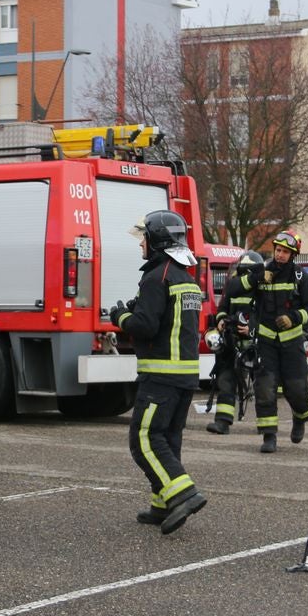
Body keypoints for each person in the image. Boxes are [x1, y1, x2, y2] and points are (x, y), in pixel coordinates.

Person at [109, 211, 208, 535]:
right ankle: (162, 503)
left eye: (144, 238)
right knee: (168, 439)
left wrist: (120, 316)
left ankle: (183, 494)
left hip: (161, 377)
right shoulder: (185, 277)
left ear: (157, 241)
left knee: (144, 438)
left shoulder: (156, 276)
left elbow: (146, 326)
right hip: (185, 377)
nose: (141, 243)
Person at [234, 229, 308, 454]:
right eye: (278, 250)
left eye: (285, 252)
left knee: (297, 390)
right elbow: (233, 289)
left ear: (293, 255)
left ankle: (300, 417)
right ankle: (269, 436)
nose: (280, 255)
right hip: (266, 343)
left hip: (292, 343)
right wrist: (255, 277)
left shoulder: (301, 277)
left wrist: (293, 318)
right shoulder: (262, 272)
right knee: (265, 389)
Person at [206, 250, 261, 435]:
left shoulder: (261, 288)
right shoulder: (232, 286)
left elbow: (267, 314)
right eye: (240, 271)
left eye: (246, 272)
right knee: (225, 379)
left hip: (255, 344)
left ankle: (267, 425)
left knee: (263, 384)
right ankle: (222, 422)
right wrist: (221, 320)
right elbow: (223, 307)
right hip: (232, 341)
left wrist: (252, 328)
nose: (242, 276)